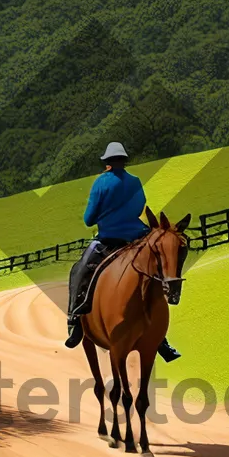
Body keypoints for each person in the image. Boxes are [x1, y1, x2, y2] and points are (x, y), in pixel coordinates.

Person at [65, 142, 181, 360]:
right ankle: (161, 340)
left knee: (79, 271)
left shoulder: (100, 183)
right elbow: (139, 208)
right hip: (138, 236)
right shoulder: (135, 182)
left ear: (107, 163)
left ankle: (74, 321)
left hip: (109, 239)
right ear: (124, 161)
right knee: (154, 278)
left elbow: (89, 219)